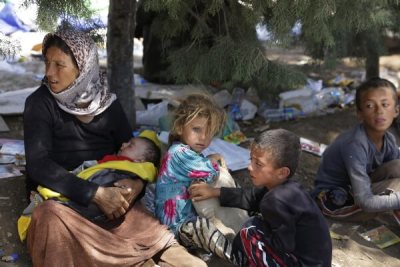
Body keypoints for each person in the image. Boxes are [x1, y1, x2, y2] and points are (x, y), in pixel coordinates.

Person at [23, 28, 206, 267]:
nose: (50, 73)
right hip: (65, 205)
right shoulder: (39, 104)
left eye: (59, 65)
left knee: (185, 260)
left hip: (112, 204)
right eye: (47, 63)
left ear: (83, 68)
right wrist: (95, 194)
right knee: (48, 219)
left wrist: (135, 186)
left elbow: (136, 153)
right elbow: (38, 165)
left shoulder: (107, 105)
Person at [183, 129, 332, 266]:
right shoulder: (287, 189)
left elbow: (284, 245)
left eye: (258, 164)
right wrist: (215, 192)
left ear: (282, 172)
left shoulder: (275, 201)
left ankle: (246, 261)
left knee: (250, 230)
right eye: (251, 160)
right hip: (314, 261)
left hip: (300, 262)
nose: (249, 167)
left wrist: (251, 240)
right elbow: (251, 197)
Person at [312, 77, 400, 223]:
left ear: (396, 111)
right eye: (370, 106)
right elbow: (365, 202)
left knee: (397, 165)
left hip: (357, 188)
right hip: (333, 201)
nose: (379, 111)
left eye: (385, 104)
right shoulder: (354, 144)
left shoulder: (388, 139)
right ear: (359, 113)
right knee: (397, 187)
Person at [154, 94, 226, 237]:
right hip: (176, 224)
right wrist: (214, 160)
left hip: (183, 219)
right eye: (197, 129)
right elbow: (208, 171)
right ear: (180, 127)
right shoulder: (179, 153)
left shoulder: (184, 150)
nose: (203, 138)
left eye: (209, 132)